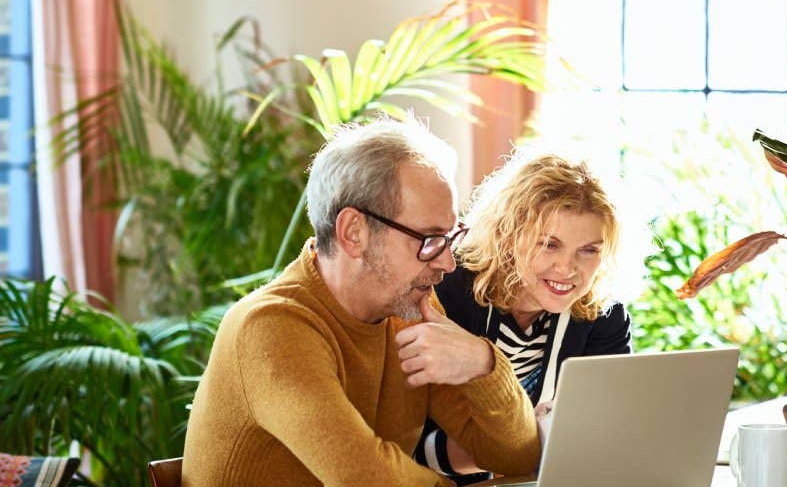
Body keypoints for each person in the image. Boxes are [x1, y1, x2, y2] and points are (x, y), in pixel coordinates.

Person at [183, 117, 540, 487]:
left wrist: (484, 363)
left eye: (450, 236)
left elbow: (516, 456)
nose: (448, 263)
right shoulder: (270, 327)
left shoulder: (410, 312)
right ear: (354, 233)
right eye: (430, 239)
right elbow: (366, 477)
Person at [415, 149, 633, 483]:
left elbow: (606, 431)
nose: (567, 268)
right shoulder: (447, 292)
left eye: (589, 250)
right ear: (507, 235)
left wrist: (527, 449)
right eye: (549, 244)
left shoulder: (604, 315)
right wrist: (526, 450)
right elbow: (411, 442)